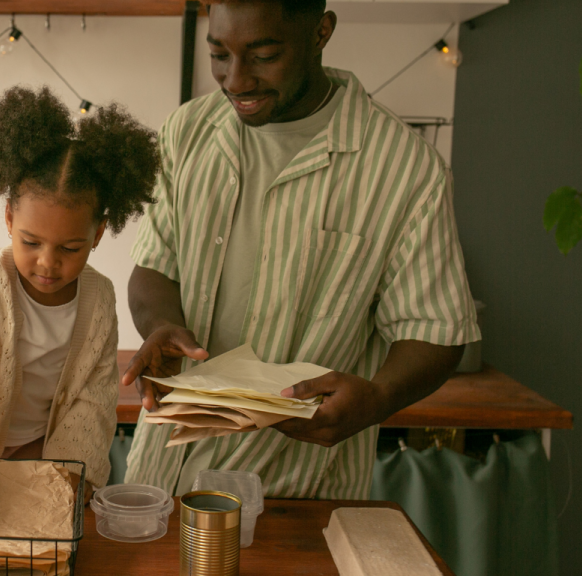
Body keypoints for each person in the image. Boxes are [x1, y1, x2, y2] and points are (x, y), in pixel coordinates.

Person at [122, 0, 480, 499]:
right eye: (219, 54)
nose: (236, 80)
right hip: (160, 481)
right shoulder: (186, 132)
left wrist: (378, 398)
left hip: (297, 493)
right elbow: (154, 269)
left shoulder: (405, 168)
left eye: (263, 55)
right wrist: (160, 324)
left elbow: (436, 329)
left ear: (321, 32)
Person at [0, 86, 161, 534]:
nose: (47, 262)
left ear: (98, 234)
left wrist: (65, 476)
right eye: (30, 242)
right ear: (8, 219)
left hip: (46, 462)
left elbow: (92, 403)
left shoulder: (99, 301)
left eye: (71, 247)